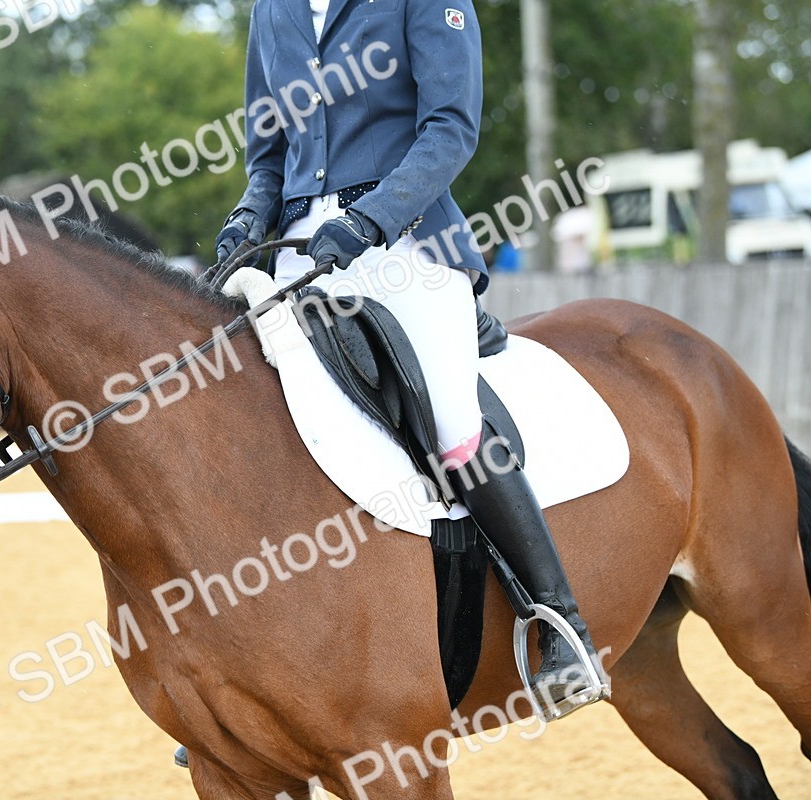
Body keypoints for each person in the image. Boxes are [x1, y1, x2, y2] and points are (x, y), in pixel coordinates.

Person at [214, 0, 605, 718]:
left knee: (454, 427)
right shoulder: (273, 11)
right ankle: (248, 669)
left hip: (407, 245)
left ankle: (563, 629)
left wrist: (370, 219)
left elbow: (450, 129)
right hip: (298, 254)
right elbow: (267, 156)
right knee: (237, 419)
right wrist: (247, 216)